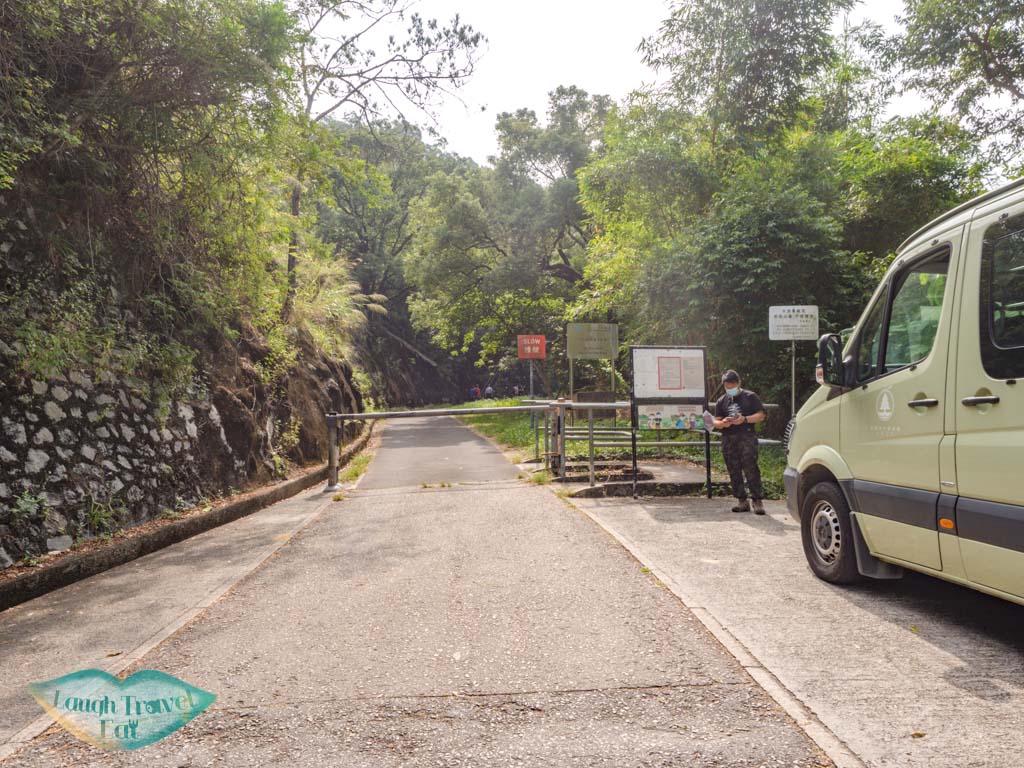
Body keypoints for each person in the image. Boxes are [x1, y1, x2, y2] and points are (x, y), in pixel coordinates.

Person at [712, 370, 767, 514]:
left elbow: (761, 415)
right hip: (728, 438)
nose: (730, 387)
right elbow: (715, 420)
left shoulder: (750, 397)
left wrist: (745, 419)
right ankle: (742, 500)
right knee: (733, 469)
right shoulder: (721, 400)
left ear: (738, 382)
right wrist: (722, 423)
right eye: (727, 385)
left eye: (732, 384)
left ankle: (757, 500)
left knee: (751, 467)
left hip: (746, 436)